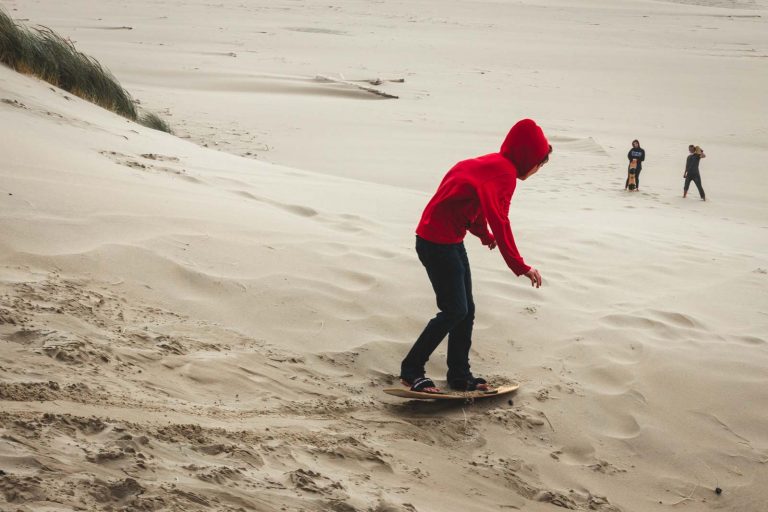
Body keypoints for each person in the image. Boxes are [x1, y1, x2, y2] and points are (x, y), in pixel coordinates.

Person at [399, 119, 551, 394]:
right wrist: (521, 266)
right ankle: (411, 371)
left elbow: (469, 201)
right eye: (540, 163)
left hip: (446, 239)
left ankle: (459, 374)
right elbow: (500, 220)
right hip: (437, 243)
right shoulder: (504, 174)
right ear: (529, 158)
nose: (538, 169)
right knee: (454, 310)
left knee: (465, 311)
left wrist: (483, 235)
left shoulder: (492, 164)